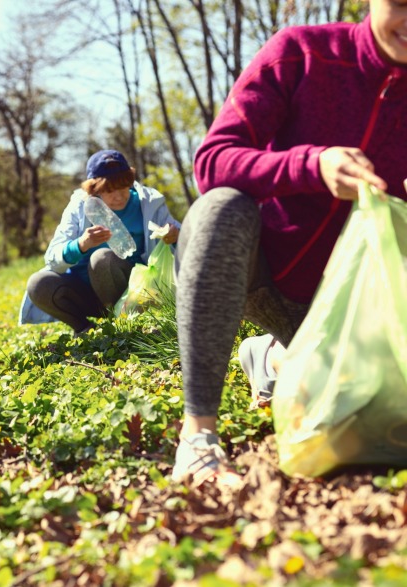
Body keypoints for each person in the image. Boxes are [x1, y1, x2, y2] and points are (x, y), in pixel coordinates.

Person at [172, 0, 407, 486]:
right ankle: (197, 437)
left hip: (362, 310)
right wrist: (312, 167)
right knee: (222, 209)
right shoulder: (302, 55)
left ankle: (277, 358)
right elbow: (213, 161)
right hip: (268, 276)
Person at [19, 149, 180, 334]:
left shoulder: (149, 203)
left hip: (133, 293)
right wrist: (81, 244)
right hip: (85, 293)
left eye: (123, 187)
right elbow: (52, 257)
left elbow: (185, 236)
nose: (118, 196)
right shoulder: (79, 207)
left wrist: (174, 236)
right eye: (109, 190)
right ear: (94, 189)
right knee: (38, 284)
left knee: (102, 259)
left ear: (130, 181)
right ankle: (84, 329)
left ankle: (124, 327)